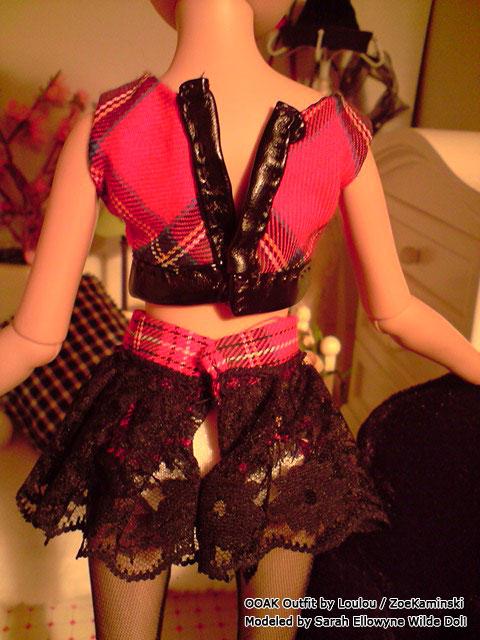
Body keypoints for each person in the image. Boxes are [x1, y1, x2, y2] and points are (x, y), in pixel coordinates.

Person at [1, 1, 479, 639]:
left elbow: (33, 336)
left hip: (148, 415)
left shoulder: (112, 123)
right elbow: (396, 311)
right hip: (277, 420)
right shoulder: (338, 130)